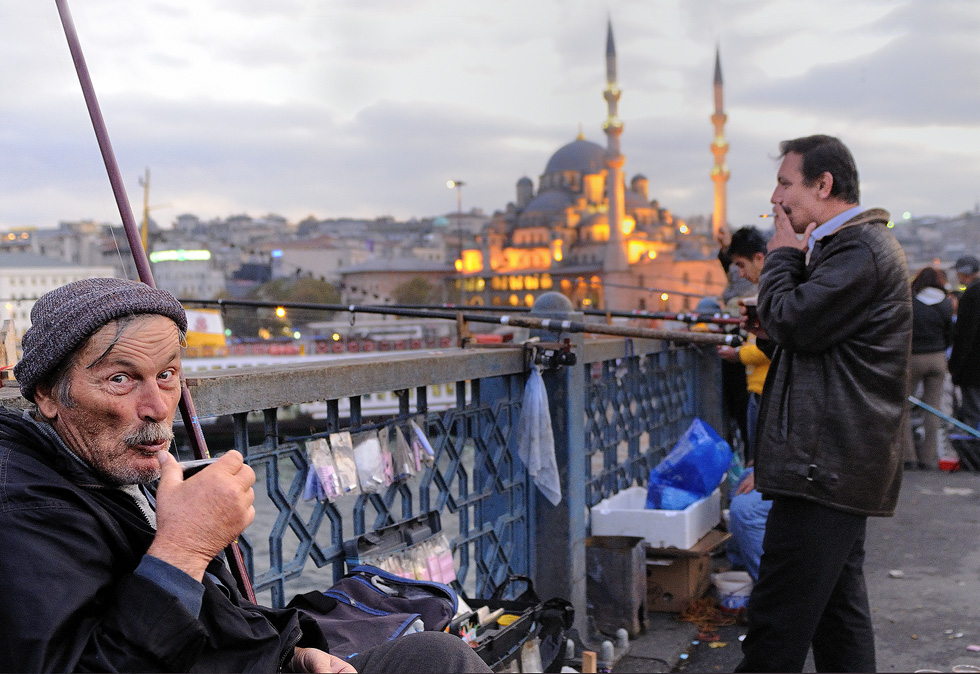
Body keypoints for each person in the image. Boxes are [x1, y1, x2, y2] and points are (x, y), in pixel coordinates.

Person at [0, 277, 491, 674]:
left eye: (167, 375)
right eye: (120, 379)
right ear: (48, 395)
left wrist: (292, 656)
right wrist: (183, 550)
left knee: (436, 656)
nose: (155, 408)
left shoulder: (110, 465)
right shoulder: (24, 506)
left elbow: (210, 626)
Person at [735, 135, 911, 673]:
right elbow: (812, 339)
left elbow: (794, 318)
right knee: (839, 618)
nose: (776, 197)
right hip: (836, 462)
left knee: (776, 627)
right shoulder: (848, 250)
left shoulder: (860, 250)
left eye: (786, 183)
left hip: (824, 466)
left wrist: (784, 256)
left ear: (823, 184)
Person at [716, 226, 772, 583]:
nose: (738, 273)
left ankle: (766, 592)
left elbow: (772, 346)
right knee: (750, 470)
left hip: (765, 394)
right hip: (756, 394)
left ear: (759, 259)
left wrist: (737, 353)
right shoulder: (766, 292)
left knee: (746, 505)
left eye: (740, 264)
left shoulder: (776, 291)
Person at [904, 266, 954, 470]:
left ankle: (909, 457)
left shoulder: (911, 302)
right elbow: (950, 333)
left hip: (913, 357)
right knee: (932, 409)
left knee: (904, 408)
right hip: (938, 358)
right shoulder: (945, 303)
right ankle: (929, 457)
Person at [949, 255, 980, 430]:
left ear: (964, 273)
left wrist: (955, 365)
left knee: (973, 412)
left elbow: (965, 334)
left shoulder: (971, 294)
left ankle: (973, 453)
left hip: (974, 366)